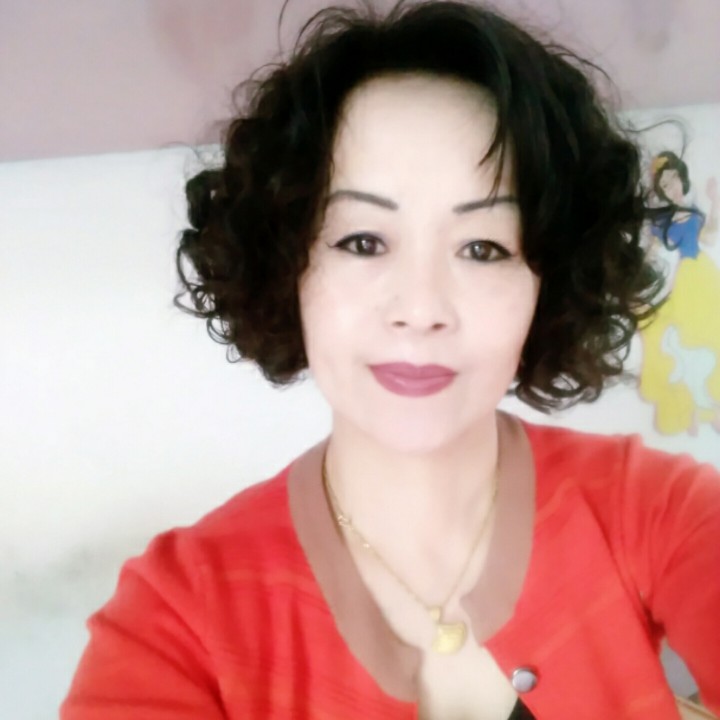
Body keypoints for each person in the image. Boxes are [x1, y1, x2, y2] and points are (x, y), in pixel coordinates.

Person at [60, 1, 720, 718]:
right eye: (363, 242)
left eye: (482, 248)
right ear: (290, 267)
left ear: (548, 283)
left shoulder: (657, 508)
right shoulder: (176, 618)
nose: (421, 307)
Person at [638, 151, 720, 435]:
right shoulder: (663, 221)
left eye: (674, 179)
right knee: (685, 339)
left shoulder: (694, 212)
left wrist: (715, 200)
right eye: (665, 184)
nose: (672, 187)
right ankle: (691, 406)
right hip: (683, 278)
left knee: (712, 335)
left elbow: (710, 234)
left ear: (682, 179)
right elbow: (652, 252)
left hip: (705, 274)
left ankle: (711, 404)